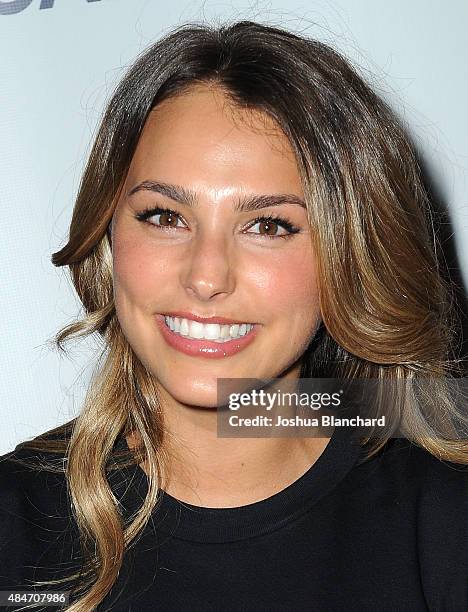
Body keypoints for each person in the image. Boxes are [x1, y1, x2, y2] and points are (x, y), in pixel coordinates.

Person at [1, 19, 467, 612]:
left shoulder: (442, 520)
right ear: (109, 229)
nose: (205, 276)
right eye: (164, 216)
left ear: (348, 255)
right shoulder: (13, 519)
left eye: (269, 225)